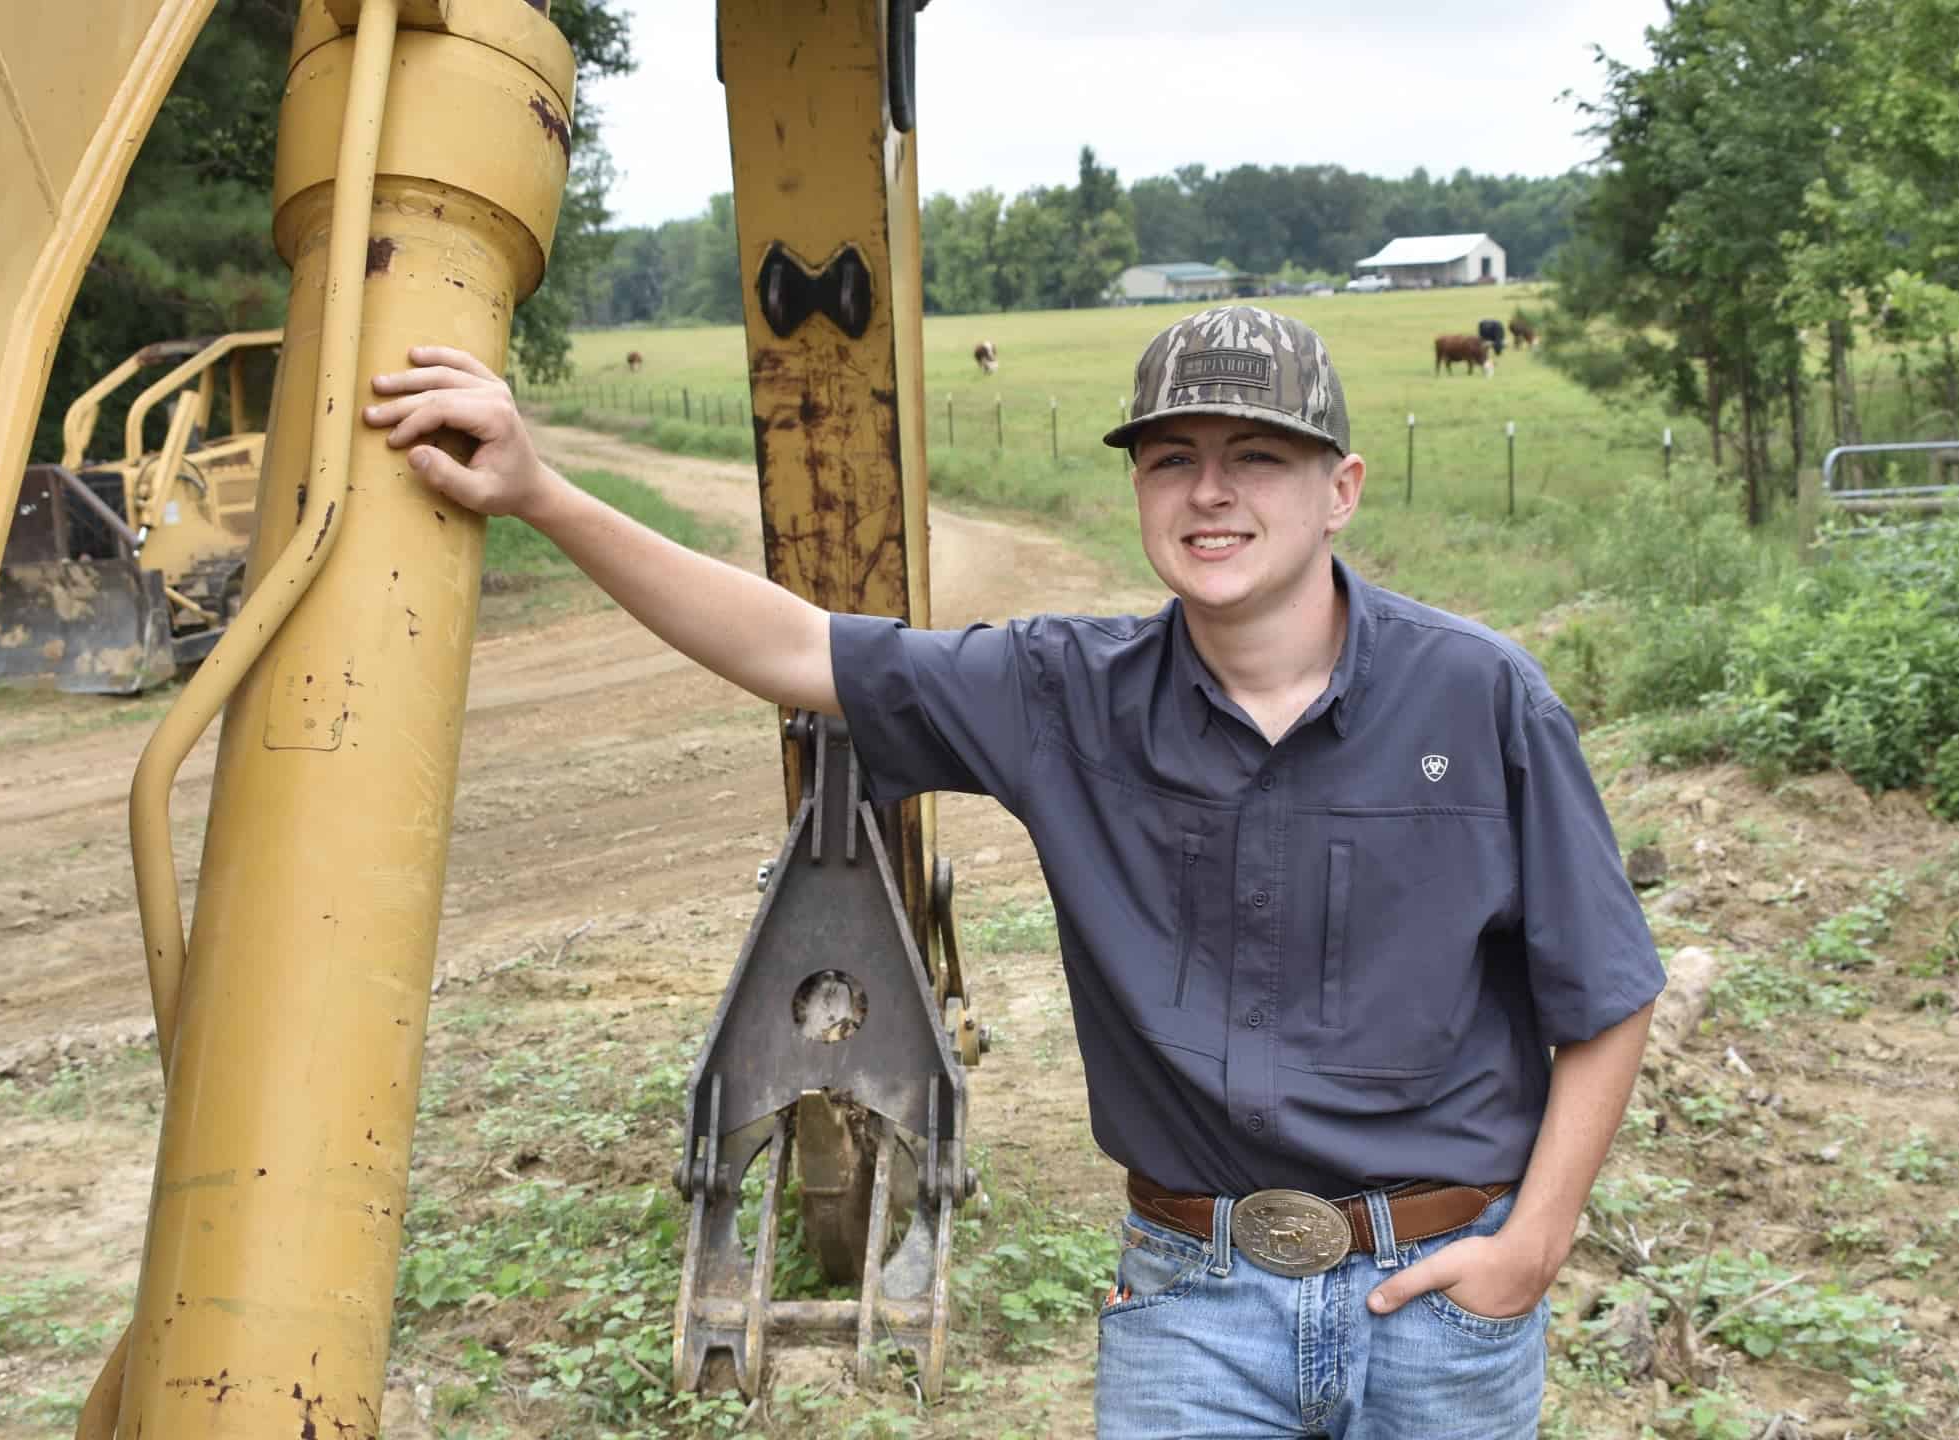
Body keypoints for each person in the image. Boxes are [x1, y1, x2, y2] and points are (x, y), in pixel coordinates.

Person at [361, 305, 1663, 1438]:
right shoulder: (1062, 695)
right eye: (1172, 460)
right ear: (1141, 492)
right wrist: (543, 491)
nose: (1211, 491)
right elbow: (798, 651)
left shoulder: (1483, 700)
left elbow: (1605, 991)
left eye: (1257, 456)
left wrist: (1535, 1240)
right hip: (1194, 1305)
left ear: (1343, 488)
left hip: (1438, 1294)